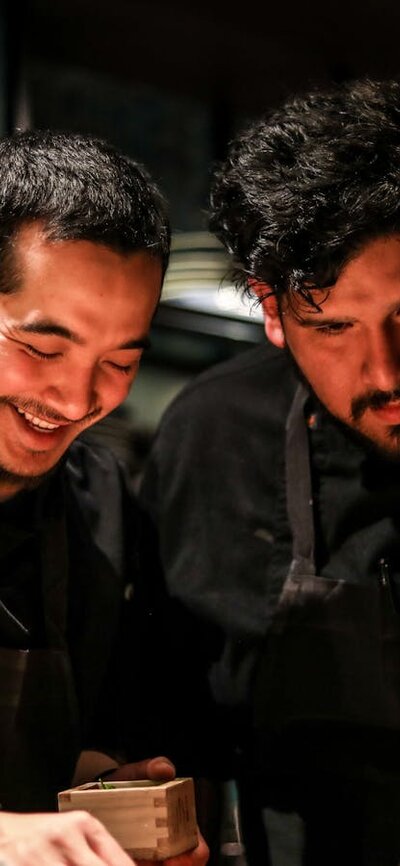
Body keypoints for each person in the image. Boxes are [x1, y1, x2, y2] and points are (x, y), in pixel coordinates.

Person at [138, 77, 400, 866]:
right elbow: (169, 712)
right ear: (272, 311)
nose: (384, 369)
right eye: (334, 327)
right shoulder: (216, 433)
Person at [0, 129, 208, 866]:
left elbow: (83, 736)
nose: (79, 397)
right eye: (43, 349)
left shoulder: (100, 503)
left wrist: (110, 796)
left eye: (118, 362)